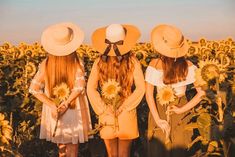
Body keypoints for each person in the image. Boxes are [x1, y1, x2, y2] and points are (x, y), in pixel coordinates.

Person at [29, 22, 92, 157]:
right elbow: (79, 86)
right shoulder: (76, 62)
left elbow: (34, 88)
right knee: (73, 148)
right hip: (73, 108)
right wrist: (67, 102)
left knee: (61, 148)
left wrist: (52, 104)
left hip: (55, 109)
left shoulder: (46, 63)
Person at [145, 24, 205, 157]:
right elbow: (202, 93)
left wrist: (157, 119)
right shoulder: (188, 65)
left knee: (158, 149)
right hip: (181, 107)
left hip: (159, 108)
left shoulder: (154, 64)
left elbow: (149, 95)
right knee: (181, 147)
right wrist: (182, 109)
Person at [87, 24, 145, 157]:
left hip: (106, 113)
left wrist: (103, 108)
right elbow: (141, 88)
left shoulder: (99, 62)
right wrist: (125, 106)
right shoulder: (132, 61)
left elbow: (90, 88)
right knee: (124, 154)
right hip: (126, 112)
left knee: (111, 154)